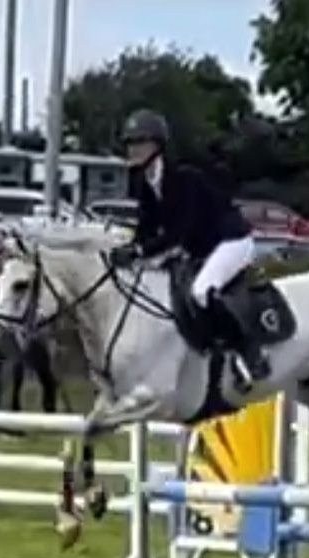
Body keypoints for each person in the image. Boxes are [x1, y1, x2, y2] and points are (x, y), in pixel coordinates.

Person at [108, 108, 269, 392]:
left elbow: (177, 233)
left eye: (138, 143)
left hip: (231, 241)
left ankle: (248, 353)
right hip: (201, 246)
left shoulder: (184, 177)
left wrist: (140, 252)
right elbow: (147, 226)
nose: (132, 149)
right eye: (130, 143)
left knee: (202, 291)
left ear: (156, 146)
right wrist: (131, 248)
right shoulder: (143, 181)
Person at [0, 233, 58, 416]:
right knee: (16, 361)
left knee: (39, 357)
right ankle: (12, 409)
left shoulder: (8, 282)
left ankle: (48, 405)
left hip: (14, 333)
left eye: (2, 255)